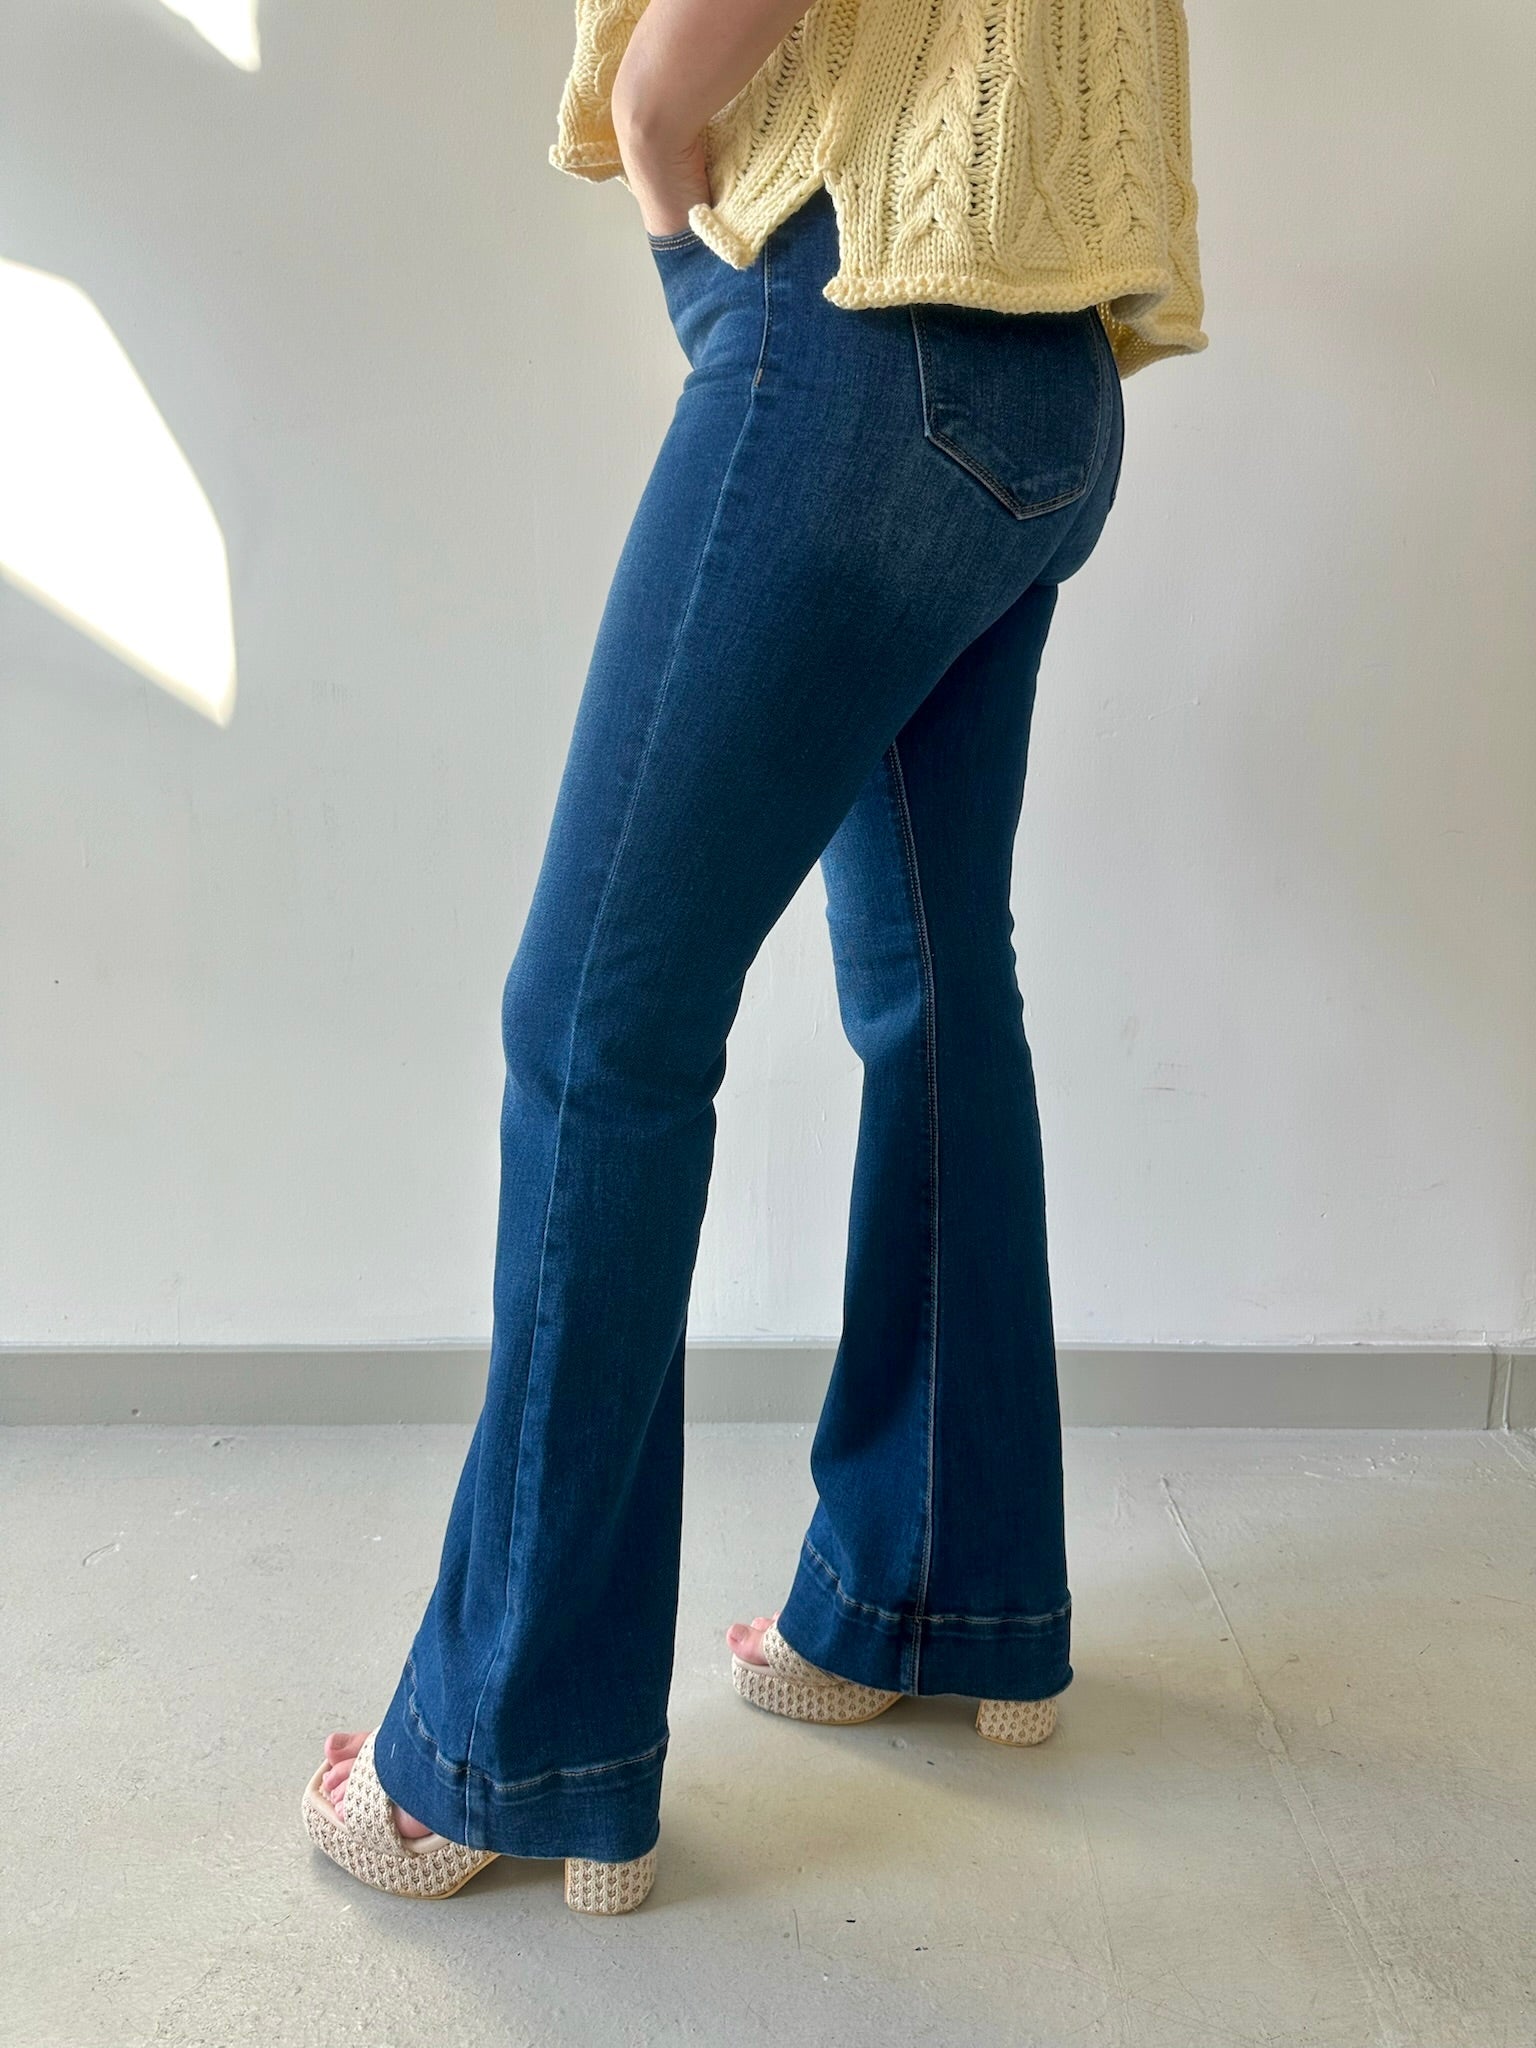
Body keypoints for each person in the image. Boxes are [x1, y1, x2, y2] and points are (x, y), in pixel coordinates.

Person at [301, 0, 1206, 1913]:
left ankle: (507, 1748)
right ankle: (940, 1597)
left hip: (860, 323)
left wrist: (655, 117)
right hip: (1046, 373)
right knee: (935, 988)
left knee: (596, 1028)